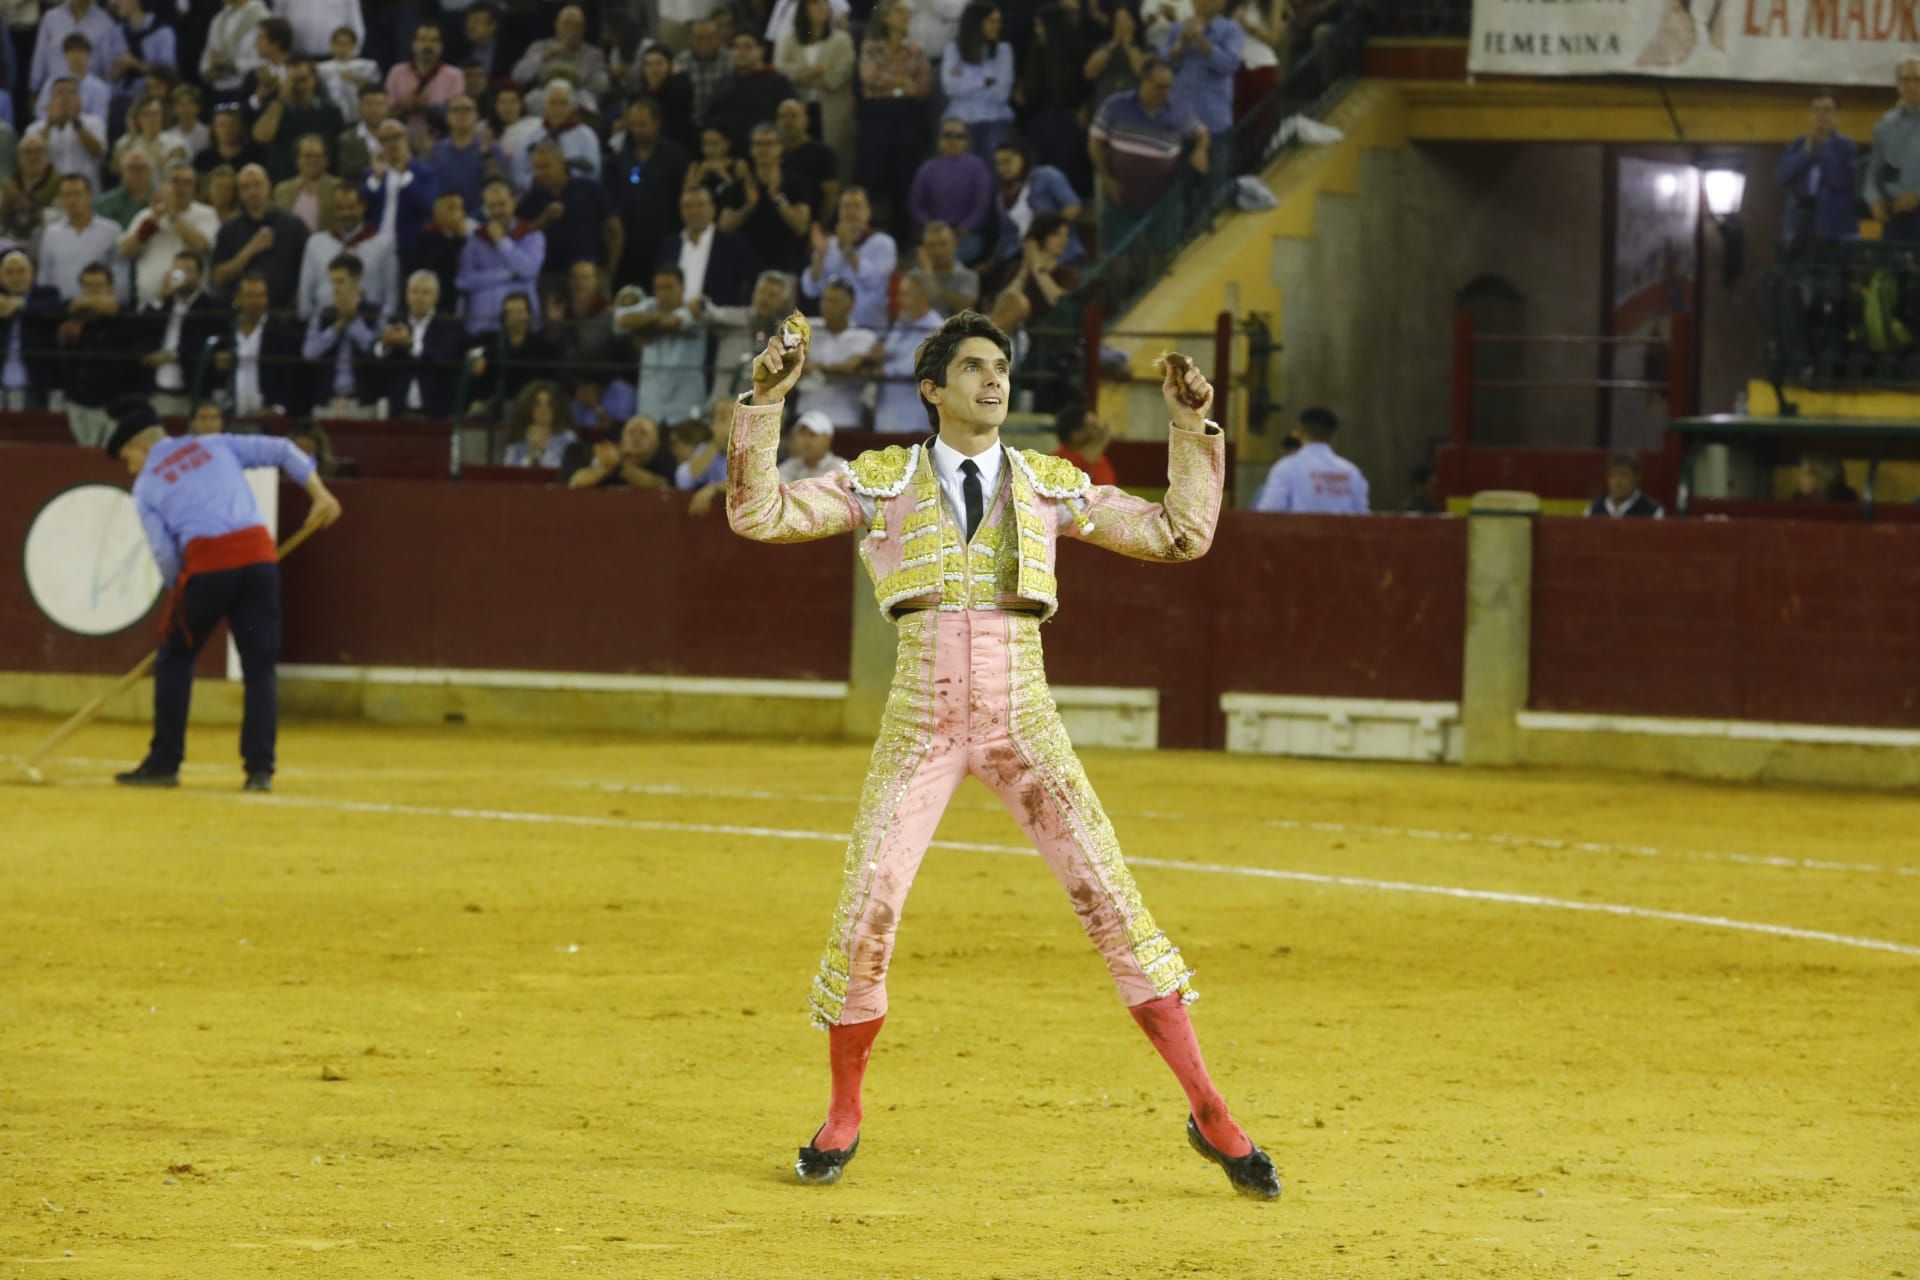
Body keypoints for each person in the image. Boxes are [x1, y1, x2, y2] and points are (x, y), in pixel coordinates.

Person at [725, 310, 1279, 1198]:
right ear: (932, 389)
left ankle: (1210, 1109)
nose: (994, 380)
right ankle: (843, 1112)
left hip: (1024, 719)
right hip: (920, 721)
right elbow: (758, 513)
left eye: (1003, 367)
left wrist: (1188, 426)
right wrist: (764, 404)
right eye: (974, 367)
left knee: (1113, 905)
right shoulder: (882, 481)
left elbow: (1181, 534)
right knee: (866, 916)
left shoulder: (1049, 484)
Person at [106, 397, 342, 793]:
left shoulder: (146, 486)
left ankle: (164, 762)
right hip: (258, 564)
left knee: (175, 659)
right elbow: (284, 450)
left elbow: (166, 555)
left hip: (209, 571)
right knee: (259, 668)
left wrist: (182, 592)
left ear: (138, 445)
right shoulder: (214, 444)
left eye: (127, 458)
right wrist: (320, 494)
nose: (130, 467)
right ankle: (260, 770)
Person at [1089, 57, 1208, 249]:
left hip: (1162, 205)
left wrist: (1200, 150)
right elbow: (1095, 143)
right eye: (1160, 87)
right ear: (1144, 81)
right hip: (1120, 201)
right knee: (1117, 254)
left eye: (1169, 87)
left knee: (1162, 255)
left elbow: (1202, 134)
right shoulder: (1115, 105)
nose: (1165, 93)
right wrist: (1106, 178)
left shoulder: (1179, 113)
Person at [856, 0, 933, 237]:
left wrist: (891, 85)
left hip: (907, 116)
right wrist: (903, 84)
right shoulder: (871, 48)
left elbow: (922, 87)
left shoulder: (916, 50)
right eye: (899, 11)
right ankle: (862, 232)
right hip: (876, 116)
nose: (905, 16)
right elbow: (869, 79)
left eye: (907, 12)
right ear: (885, 17)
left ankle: (902, 235)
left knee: (905, 175)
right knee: (870, 173)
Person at [607, 97, 691, 287]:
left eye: (643, 124)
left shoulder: (675, 156)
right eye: (633, 125)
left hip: (663, 242)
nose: (637, 130)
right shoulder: (621, 156)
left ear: (657, 123)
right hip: (628, 245)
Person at [518, 141, 620, 291]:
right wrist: (544, 218)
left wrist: (610, 271)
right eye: (536, 168)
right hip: (550, 277)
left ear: (561, 163)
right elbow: (520, 237)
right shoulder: (532, 198)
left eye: (545, 167)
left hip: (591, 273)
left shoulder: (589, 189)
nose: (540, 173)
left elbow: (615, 229)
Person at [616, 264, 710, 425]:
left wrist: (647, 324)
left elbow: (673, 321)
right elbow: (622, 319)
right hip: (651, 402)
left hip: (685, 401)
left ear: (683, 288)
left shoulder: (697, 307)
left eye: (669, 288)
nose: (663, 294)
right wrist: (657, 318)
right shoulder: (649, 305)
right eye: (658, 288)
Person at [136, 250, 227, 414]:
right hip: (156, 391)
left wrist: (173, 355)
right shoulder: (163, 303)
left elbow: (205, 339)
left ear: (200, 277)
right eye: (178, 270)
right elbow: (142, 330)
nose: (182, 276)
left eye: (188, 271)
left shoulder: (212, 306)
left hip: (192, 391)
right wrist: (160, 296)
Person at [719, 122, 815, 275]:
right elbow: (724, 228)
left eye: (769, 144)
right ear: (751, 149)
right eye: (758, 144)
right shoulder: (738, 187)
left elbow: (801, 227)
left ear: (780, 147)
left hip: (786, 266)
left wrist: (778, 198)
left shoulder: (796, 184)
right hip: (746, 268)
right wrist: (749, 207)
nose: (763, 149)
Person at [775, 0, 856, 182]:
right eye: (815, 4)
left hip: (832, 109)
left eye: (824, 4)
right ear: (804, 9)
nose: (821, 8)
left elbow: (841, 73)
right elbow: (781, 68)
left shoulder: (841, 39)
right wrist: (812, 71)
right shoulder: (790, 40)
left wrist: (802, 76)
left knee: (834, 159)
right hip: (801, 106)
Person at [211, 162, 309, 306]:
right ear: (239, 193)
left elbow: (308, 270)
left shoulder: (294, 226)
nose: (252, 192)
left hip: (284, 311)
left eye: (257, 185)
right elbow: (218, 277)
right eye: (246, 187)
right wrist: (251, 250)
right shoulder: (229, 229)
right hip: (240, 310)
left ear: (269, 186)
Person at [57, 261, 134, 445]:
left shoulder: (125, 314)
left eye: (98, 286)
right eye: (88, 286)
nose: (92, 291)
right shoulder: (71, 315)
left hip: (113, 402)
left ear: (111, 288)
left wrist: (84, 304)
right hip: (77, 401)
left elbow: (111, 308)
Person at [457, 177, 546, 335]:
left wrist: (501, 242)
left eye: (502, 204)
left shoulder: (532, 235)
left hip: (523, 327)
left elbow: (529, 270)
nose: (497, 211)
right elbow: (463, 281)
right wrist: (506, 275)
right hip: (483, 323)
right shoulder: (476, 239)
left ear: (514, 202)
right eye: (492, 206)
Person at [297, 180, 396, 319]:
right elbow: (305, 292)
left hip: (368, 321)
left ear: (363, 206)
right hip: (324, 321)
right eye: (340, 208)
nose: (345, 213)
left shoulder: (383, 245)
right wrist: (307, 323)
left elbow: (390, 294)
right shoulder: (316, 243)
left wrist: (383, 325)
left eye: (351, 207)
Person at [801, 185, 895, 328]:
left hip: (868, 327)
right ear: (839, 212)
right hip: (833, 328)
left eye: (857, 206)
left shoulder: (883, 243)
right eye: (845, 207)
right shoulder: (828, 245)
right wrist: (819, 256)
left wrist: (848, 249)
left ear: (868, 211)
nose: (851, 211)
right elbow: (811, 290)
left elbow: (875, 282)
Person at [301, 252, 383, 415]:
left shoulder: (375, 312)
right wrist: (337, 327)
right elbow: (309, 353)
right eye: (332, 281)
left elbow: (376, 350)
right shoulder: (323, 314)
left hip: (362, 403)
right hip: (326, 402)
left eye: (340, 281)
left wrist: (353, 322)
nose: (335, 288)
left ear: (357, 280)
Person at [1776, 89, 1860, 248]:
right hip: (1798, 225)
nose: (1821, 116)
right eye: (1816, 110)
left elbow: (1839, 181)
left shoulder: (1847, 147)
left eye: (1827, 110)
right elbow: (1781, 177)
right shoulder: (1797, 145)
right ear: (1810, 115)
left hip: (1836, 228)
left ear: (1837, 115)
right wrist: (1806, 152)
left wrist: (1822, 146)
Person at [376, 269, 465, 416]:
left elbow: (445, 358)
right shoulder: (396, 321)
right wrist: (385, 344)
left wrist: (410, 344)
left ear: (436, 296)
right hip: (398, 412)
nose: (419, 297)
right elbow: (377, 358)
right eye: (414, 291)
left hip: (436, 413)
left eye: (425, 292)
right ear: (406, 295)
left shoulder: (449, 324)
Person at [1252, 406, 1368, 513]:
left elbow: (1270, 511)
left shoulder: (1286, 468)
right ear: (1333, 434)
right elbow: (1361, 516)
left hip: (1299, 529)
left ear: (1299, 430)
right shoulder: (1351, 472)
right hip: (1341, 530)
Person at [908, 116, 994, 258]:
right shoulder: (927, 168)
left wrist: (965, 228)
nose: (953, 140)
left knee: (947, 258)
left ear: (966, 141)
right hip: (933, 234)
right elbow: (916, 203)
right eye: (947, 135)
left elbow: (982, 205)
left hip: (966, 236)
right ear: (939, 139)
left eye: (959, 136)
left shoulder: (978, 167)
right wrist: (929, 225)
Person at [249, 57, 343, 183]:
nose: (296, 86)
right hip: (283, 182)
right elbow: (261, 137)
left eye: (302, 80)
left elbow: (338, 152)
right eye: (291, 81)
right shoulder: (274, 109)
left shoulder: (330, 112)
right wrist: (280, 100)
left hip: (323, 183)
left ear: (315, 79)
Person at [992, 137, 1084, 266]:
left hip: (1059, 254)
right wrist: (990, 263)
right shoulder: (1001, 197)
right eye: (998, 163)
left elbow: (1073, 207)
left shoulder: (1047, 176)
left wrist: (1047, 234)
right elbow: (1007, 236)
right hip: (1022, 256)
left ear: (1022, 158)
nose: (1002, 168)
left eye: (1007, 161)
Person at [870, 270, 942, 431]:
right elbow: (890, 351)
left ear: (923, 298)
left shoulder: (937, 328)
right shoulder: (901, 322)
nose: (899, 300)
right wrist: (878, 354)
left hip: (914, 418)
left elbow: (921, 365)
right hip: (887, 410)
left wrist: (885, 370)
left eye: (905, 295)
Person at [795, 277, 874, 426]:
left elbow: (850, 367)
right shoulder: (807, 328)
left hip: (844, 417)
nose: (827, 306)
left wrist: (817, 367)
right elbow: (791, 365)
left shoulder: (863, 336)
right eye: (825, 300)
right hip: (806, 414)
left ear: (850, 305)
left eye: (834, 301)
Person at [1158, 0, 1241, 140]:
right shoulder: (1177, 28)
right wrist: (1180, 44)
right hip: (1178, 117)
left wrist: (1199, 39)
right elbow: (1162, 66)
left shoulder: (1231, 29)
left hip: (1213, 120)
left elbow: (1229, 65)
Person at [708, 32, 797, 154]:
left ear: (761, 50)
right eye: (736, 47)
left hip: (767, 153)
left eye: (748, 47)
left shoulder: (779, 83)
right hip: (731, 155)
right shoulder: (723, 83)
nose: (741, 52)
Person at [359, 118, 438, 252]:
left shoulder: (425, 173)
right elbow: (363, 211)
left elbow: (427, 207)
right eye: (385, 139)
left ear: (407, 137)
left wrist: (403, 175)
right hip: (375, 246)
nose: (392, 143)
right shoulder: (371, 173)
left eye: (396, 136)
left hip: (411, 246)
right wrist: (376, 179)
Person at [39, 173, 121, 300]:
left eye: (77, 194)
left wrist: (115, 302)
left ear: (89, 196)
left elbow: (119, 272)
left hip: (99, 304)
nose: (72, 200)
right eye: (66, 195)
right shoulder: (51, 233)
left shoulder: (111, 231)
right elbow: (45, 275)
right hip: (60, 306)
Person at [0, 250, 65, 410]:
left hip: (36, 385)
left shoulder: (47, 294)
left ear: (33, 273)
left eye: (21, 271)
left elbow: (58, 308)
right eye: (9, 272)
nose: (16, 277)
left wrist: (21, 304)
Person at [1867, 57, 1920, 241]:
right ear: (1898, 85)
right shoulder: (1885, 124)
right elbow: (1874, 170)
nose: (1911, 86)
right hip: (1893, 214)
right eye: (1905, 80)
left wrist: (1917, 195)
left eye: (1917, 80)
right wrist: (1874, 199)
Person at [425, 94, 505, 216]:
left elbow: (502, 186)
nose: (461, 114)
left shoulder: (491, 147)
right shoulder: (436, 150)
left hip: (483, 218)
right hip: (445, 218)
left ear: (477, 115)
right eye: (456, 110)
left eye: (467, 109)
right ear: (447, 116)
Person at [568, 413, 671, 488]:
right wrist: (606, 469)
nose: (636, 437)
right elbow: (575, 482)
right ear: (622, 441)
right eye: (631, 432)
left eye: (643, 433)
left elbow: (661, 486)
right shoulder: (611, 461)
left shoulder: (665, 459)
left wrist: (619, 467)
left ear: (657, 442)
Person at [270, 133, 340, 233]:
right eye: (307, 156)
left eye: (317, 156)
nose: (313, 160)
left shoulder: (338, 188)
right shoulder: (282, 190)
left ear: (327, 159)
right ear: (297, 159)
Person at [675, 18, 734, 129]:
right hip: (689, 126)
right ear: (690, 39)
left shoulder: (731, 61)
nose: (704, 43)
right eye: (699, 38)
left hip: (723, 126)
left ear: (718, 38)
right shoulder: (681, 62)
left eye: (710, 37)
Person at [500, 379, 573, 465]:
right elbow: (510, 470)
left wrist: (542, 451)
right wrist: (532, 454)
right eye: (537, 404)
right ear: (528, 407)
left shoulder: (568, 439)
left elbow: (567, 469)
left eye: (549, 404)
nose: (543, 409)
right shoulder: (518, 439)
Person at [917, 221, 980, 315]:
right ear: (924, 249)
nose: (937, 251)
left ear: (954, 245)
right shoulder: (915, 277)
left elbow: (965, 307)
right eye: (931, 246)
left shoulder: (968, 276)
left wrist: (929, 278)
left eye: (943, 244)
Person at [1052, 400, 1116, 485]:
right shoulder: (1057, 463)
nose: (1099, 429)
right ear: (1075, 434)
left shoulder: (1100, 460)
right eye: (1093, 426)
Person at [1583, 454, 1665, 518]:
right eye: (1612, 475)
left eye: (1623, 474)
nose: (1618, 481)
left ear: (1637, 478)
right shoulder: (1593, 509)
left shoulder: (1652, 511)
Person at [780, 407, 849, 481]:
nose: (806, 440)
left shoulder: (841, 469)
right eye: (802, 434)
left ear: (827, 439)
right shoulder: (789, 466)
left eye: (812, 434)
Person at [1793, 451, 1859, 504]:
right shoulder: (1797, 500)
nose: (1800, 478)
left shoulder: (1846, 499)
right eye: (1802, 473)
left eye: (1808, 474)